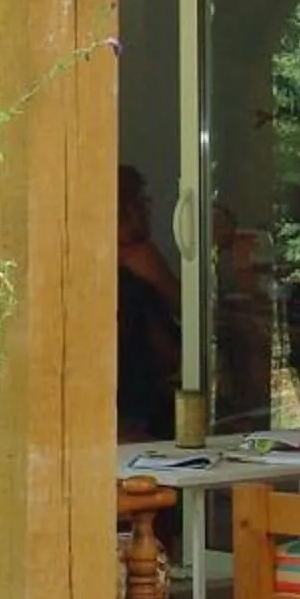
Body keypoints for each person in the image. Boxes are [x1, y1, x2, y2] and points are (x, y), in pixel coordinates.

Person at [115, 165, 183, 440]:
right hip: (134, 416)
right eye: (142, 202)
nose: (148, 210)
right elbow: (190, 314)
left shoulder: (137, 262)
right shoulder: (133, 268)